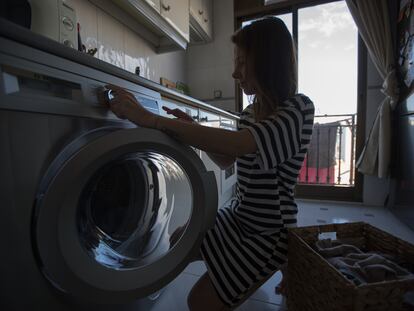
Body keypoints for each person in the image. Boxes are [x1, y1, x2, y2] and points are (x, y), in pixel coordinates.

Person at [99, 16, 314, 311]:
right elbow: (228, 158)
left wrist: (151, 120)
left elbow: (242, 144)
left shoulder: (299, 109)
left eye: (241, 61)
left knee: (199, 303)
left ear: (265, 62)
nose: (235, 72)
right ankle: (254, 268)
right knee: (179, 238)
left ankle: (280, 259)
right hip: (239, 218)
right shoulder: (252, 112)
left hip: (268, 233)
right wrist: (187, 130)